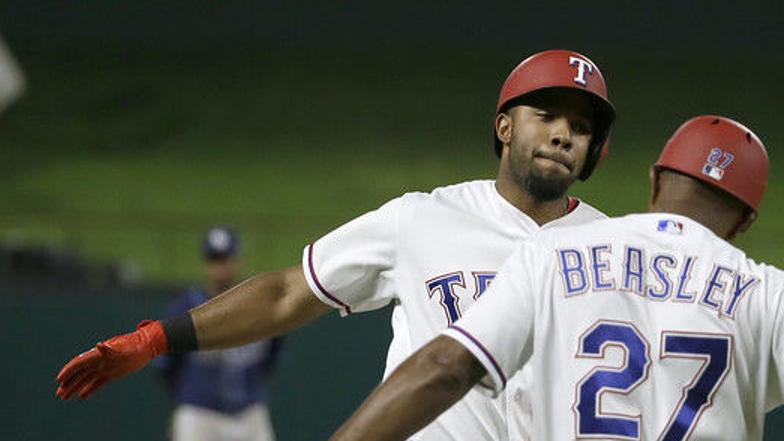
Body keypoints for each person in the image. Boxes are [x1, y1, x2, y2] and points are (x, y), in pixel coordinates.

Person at [55, 49, 616, 440]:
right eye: (545, 115)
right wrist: (155, 339)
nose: (563, 134)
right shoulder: (424, 219)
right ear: (505, 128)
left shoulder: (614, 250)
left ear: (593, 152)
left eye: (581, 127)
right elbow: (286, 295)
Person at [327, 115, 778, 441]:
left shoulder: (555, 253)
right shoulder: (768, 296)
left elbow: (445, 368)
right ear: (745, 221)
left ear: (656, 180)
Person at [154, 226, 281, 441]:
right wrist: (187, 396)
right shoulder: (184, 309)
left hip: (248, 410)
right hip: (199, 411)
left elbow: (273, 354)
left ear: (238, 259)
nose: (221, 268)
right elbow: (166, 366)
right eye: (215, 260)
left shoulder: (257, 305)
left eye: (226, 259)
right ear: (206, 263)